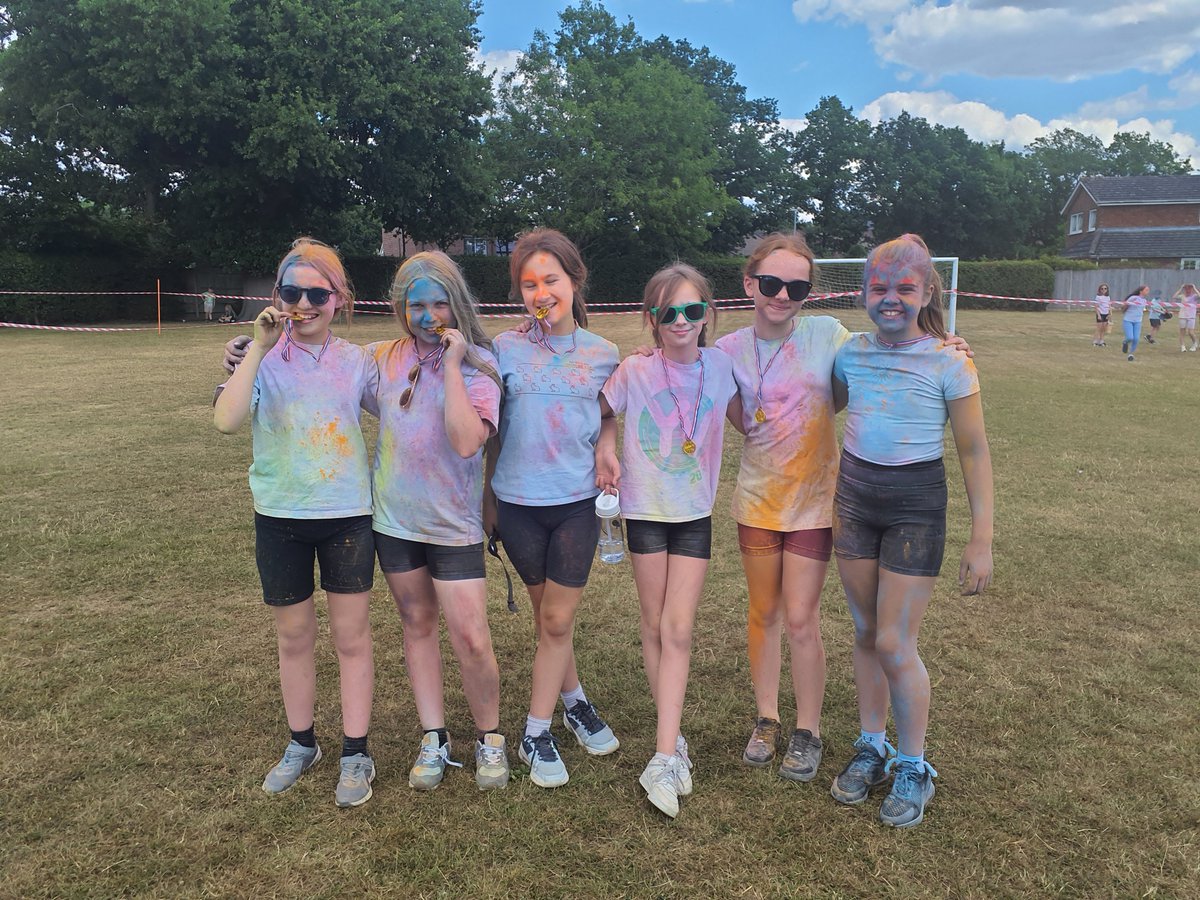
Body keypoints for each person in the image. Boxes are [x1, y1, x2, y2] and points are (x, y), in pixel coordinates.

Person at [829, 233, 993, 829]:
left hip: (915, 508)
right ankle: (873, 745)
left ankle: (914, 764)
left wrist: (981, 539)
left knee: (897, 642)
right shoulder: (850, 354)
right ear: (864, 291)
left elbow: (974, 452)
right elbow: (821, 405)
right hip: (853, 501)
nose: (890, 298)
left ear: (928, 291)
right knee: (867, 631)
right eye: (879, 287)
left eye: (904, 287)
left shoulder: (951, 359)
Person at [213, 238, 379, 808]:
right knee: (294, 637)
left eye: (317, 293)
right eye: (292, 292)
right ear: (275, 296)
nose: (304, 303)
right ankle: (301, 742)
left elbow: (408, 405)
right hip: (279, 516)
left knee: (352, 639)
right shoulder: (256, 357)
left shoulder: (359, 361)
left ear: (340, 299)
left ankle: (356, 751)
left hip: (348, 517)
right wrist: (255, 350)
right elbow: (227, 421)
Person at [595, 263, 739, 818]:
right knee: (654, 623)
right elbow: (603, 410)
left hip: (693, 514)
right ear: (652, 318)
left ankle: (661, 756)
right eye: (669, 312)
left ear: (708, 313)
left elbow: (752, 418)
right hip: (644, 511)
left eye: (693, 310)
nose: (682, 321)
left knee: (678, 627)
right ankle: (671, 736)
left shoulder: (723, 365)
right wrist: (606, 446)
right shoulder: (634, 370)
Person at [483, 228, 621, 788]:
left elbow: (610, 414)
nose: (541, 293)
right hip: (517, 505)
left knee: (557, 619)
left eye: (551, 280)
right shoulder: (502, 349)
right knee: (550, 622)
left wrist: (607, 448)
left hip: (575, 507)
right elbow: (488, 429)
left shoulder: (603, 354)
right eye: (529, 284)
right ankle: (576, 699)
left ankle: (535, 732)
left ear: (574, 281)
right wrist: (488, 501)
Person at [367, 252, 510, 791]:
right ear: (401, 307)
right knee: (417, 625)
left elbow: (467, 439)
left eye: (439, 302)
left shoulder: (479, 365)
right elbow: (326, 373)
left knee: (472, 637)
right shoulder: (381, 357)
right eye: (416, 304)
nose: (428, 316)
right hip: (395, 522)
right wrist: (248, 354)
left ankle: (489, 738)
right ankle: (434, 735)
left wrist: (452, 365)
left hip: (454, 527)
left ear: (458, 303)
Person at [1121, 286, 1150, 361]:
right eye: (1146, 290)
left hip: (1138, 321)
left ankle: (1130, 354)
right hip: (1128, 320)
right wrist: (1125, 306)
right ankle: (1125, 342)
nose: (1148, 291)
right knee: (1130, 337)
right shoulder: (1133, 298)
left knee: (1136, 339)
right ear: (1141, 291)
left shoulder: (1145, 301)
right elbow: (1124, 305)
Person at [1173, 283, 1198, 352]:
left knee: (1191, 332)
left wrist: (1195, 288)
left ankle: (1195, 343)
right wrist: (1181, 288)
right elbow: (1174, 296)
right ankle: (1183, 346)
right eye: (1186, 289)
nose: (1188, 290)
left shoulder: (1194, 296)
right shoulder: (1182, 296)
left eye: (1189, 289)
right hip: (1182, 315)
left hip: (1191, 316)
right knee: (1182, 332)